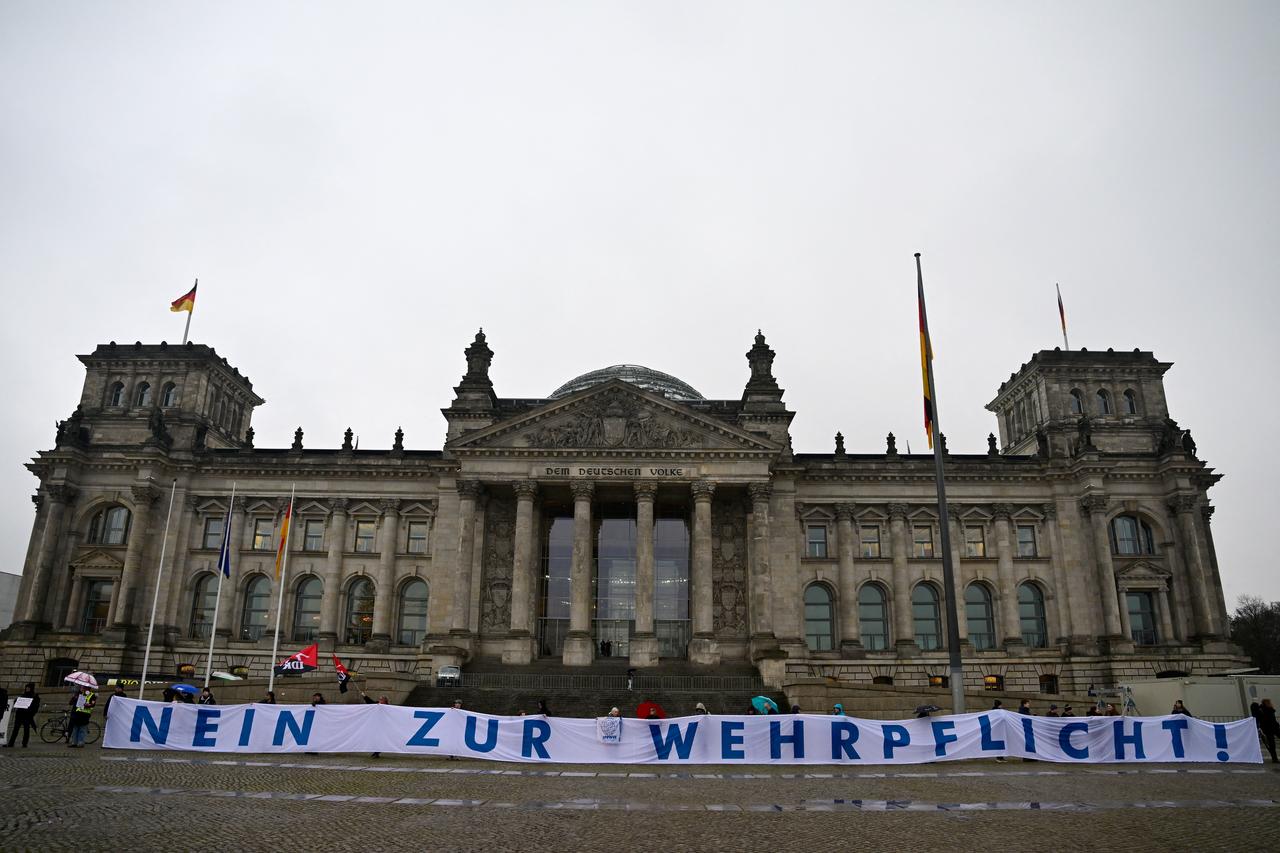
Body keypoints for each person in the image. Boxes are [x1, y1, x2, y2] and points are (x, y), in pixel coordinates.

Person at [5, 683, 40, 748]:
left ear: (31, 689)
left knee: (26, 730)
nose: (27, 689)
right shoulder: (23, 695)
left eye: (28, 688)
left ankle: (24, 743)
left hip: (27, 716)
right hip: (19, 715)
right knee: (15, 729)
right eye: (26, 688)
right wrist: (16, 701)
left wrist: (31, 713)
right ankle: (11, 743)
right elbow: (17, 702)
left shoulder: (35, 697)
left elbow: (35, 707)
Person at [1258, 698, 1279, 764]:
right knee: (1272, 744)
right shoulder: (1267, 710)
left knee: (1271, 744)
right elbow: (1271, 720)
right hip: (1272, 728)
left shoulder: (1263, 710)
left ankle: (1274, 758)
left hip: (1270, 729)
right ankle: (1274, 759)